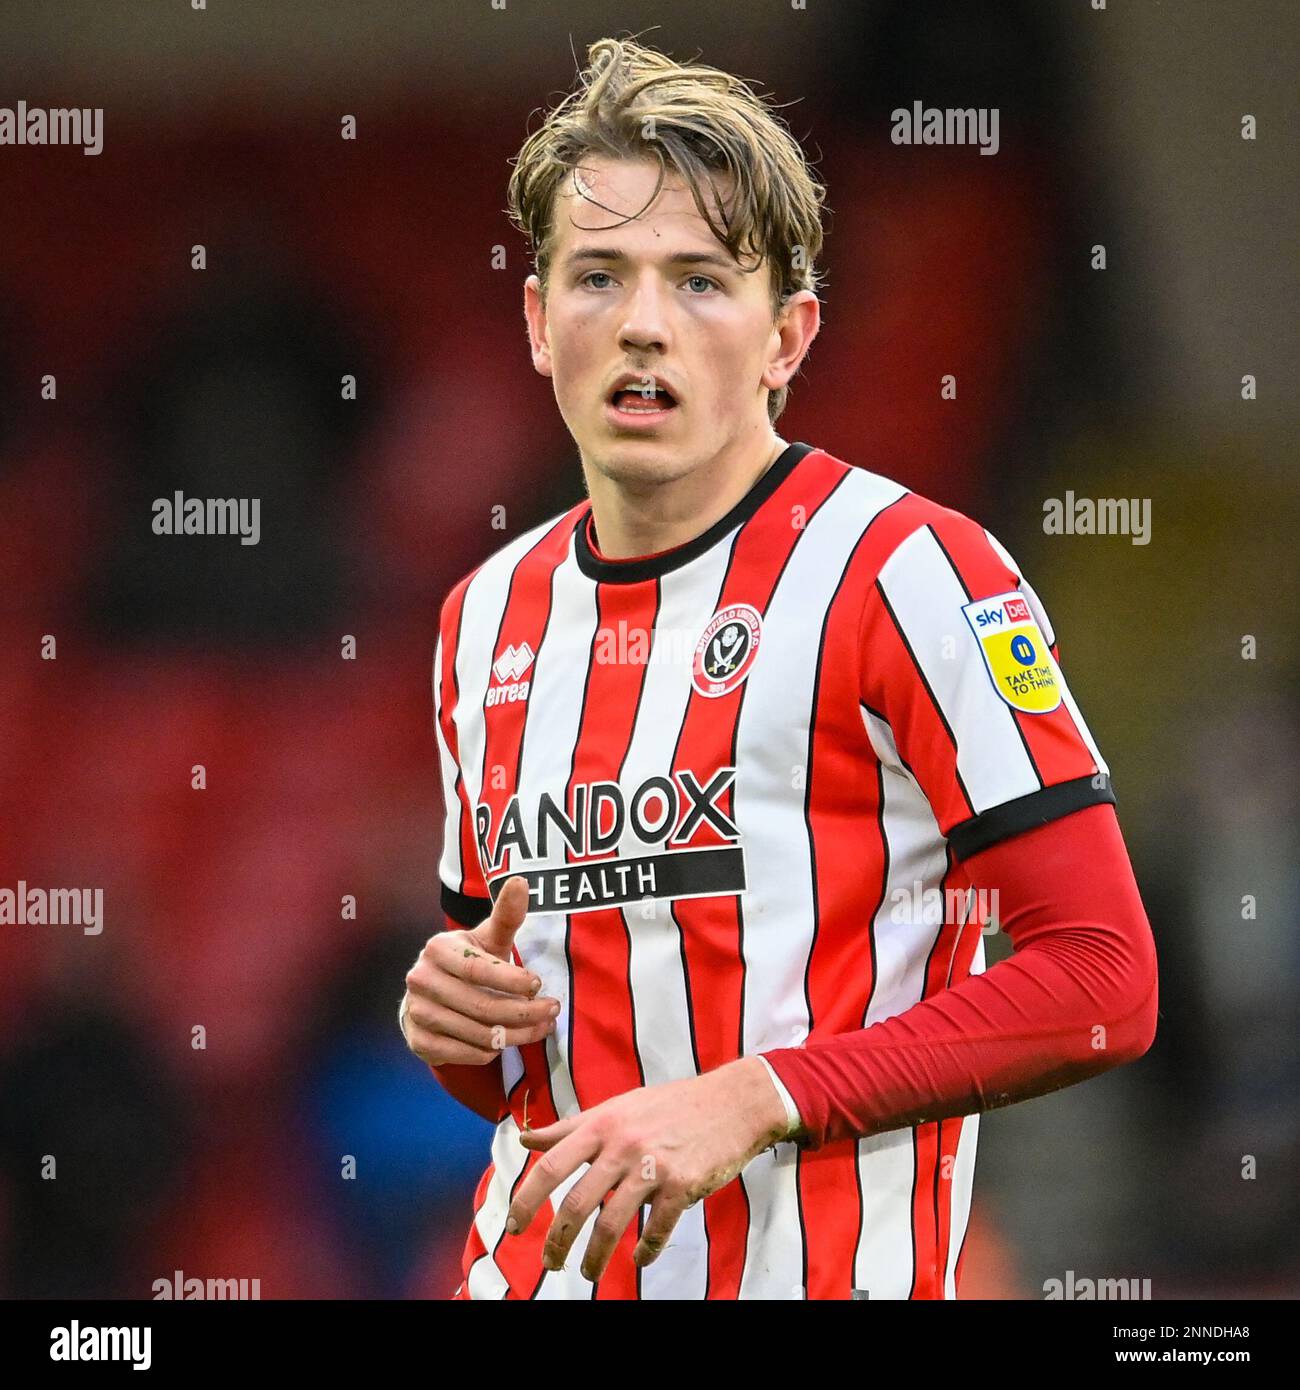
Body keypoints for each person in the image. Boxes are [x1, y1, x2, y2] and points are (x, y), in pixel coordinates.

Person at [399, 36, 1157, 1300]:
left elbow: (1102, 978)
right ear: (538, 322)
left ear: (787, 337)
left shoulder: (911, 571)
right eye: (598, 277)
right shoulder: (483, 616)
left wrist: (758, 1098)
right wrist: (455, 1028)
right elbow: (529, 1053)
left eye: (700, 281)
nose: (642, 324)